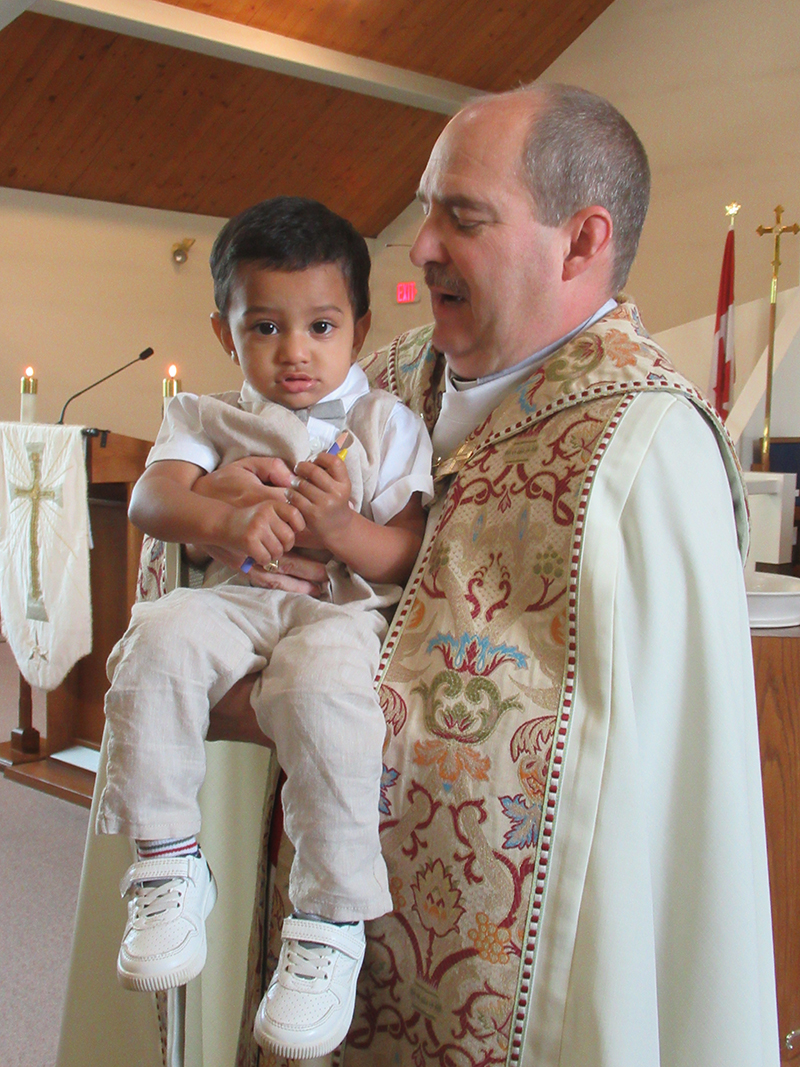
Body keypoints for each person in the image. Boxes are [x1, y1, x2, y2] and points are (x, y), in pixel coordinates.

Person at [195, 84, 779, 1066]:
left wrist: (270, 700)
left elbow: (597, 772)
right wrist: (223, 514)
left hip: (505, 986)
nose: (419, 246)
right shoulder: (384, 376)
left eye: (460, 217)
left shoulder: (644, 451)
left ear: (581, 241)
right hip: (315, 924)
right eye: (425, 208)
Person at [94, 196, 433, 1060]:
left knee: (321, 688)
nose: (295, 353)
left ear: (359, 323)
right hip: (239, 601)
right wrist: (225, 520)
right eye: (265, 327)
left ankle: (327, 918)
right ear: (224, 330)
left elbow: (406, 551)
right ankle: (169, 861)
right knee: (160, 638)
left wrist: (341, 530)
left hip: (338, 610)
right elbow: (151, 497)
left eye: (321, 325)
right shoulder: (204, 417)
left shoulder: (385, 424)